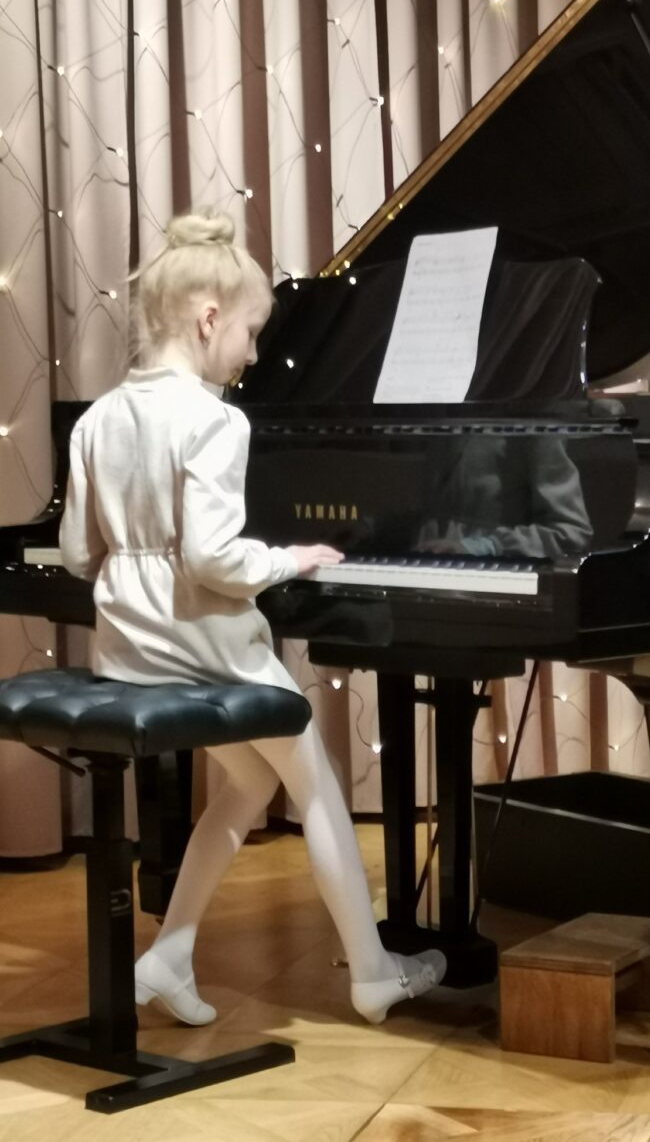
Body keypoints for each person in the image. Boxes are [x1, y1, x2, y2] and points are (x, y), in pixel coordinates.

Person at [59, 207, 446, 1026]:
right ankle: (373, 972)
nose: (254, 354)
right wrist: (287, 560)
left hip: (127, 654)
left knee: (251, 780)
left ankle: (170, 954)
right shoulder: (215, 420)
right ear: (209, 319)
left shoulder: (96, 420)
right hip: (209, 649)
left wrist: (137, 565)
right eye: (250, 333)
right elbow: (213, 560)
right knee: (317, 782)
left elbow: (75, 553)